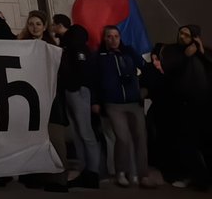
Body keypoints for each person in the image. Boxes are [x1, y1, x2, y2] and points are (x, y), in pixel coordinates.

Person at [91, 25, 158, 187]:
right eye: (109, 36)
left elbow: (145, 68)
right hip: (113, 103)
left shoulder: (128, 51)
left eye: (116, 36)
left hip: (133, 101)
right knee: (122, 138)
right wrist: (95, 101)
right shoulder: (99, 57)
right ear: (104, 38)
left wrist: (144, 89)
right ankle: (121, 172)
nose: (113, 39)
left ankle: (143, 175)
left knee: (140, 137)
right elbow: (94, 81)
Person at [159, 25, 212, 189]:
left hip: (203, 105)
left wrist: (201, 52)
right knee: (185, 143)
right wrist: (186, 56)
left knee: (204, 143)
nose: (182, 37)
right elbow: (169, 68)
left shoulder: (204, 52)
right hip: (181, 105)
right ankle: (193, 177)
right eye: (181, 33)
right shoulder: (171, 50)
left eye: (187, 35)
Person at [59, 25, 101, 189]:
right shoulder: (70, 49)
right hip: (72, 91)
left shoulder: (79, 50)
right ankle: (85, 171)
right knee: (78, 134)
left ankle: (93, 172)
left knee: (85, 133)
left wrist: (75, 86)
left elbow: (84, 71)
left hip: (78, 91)